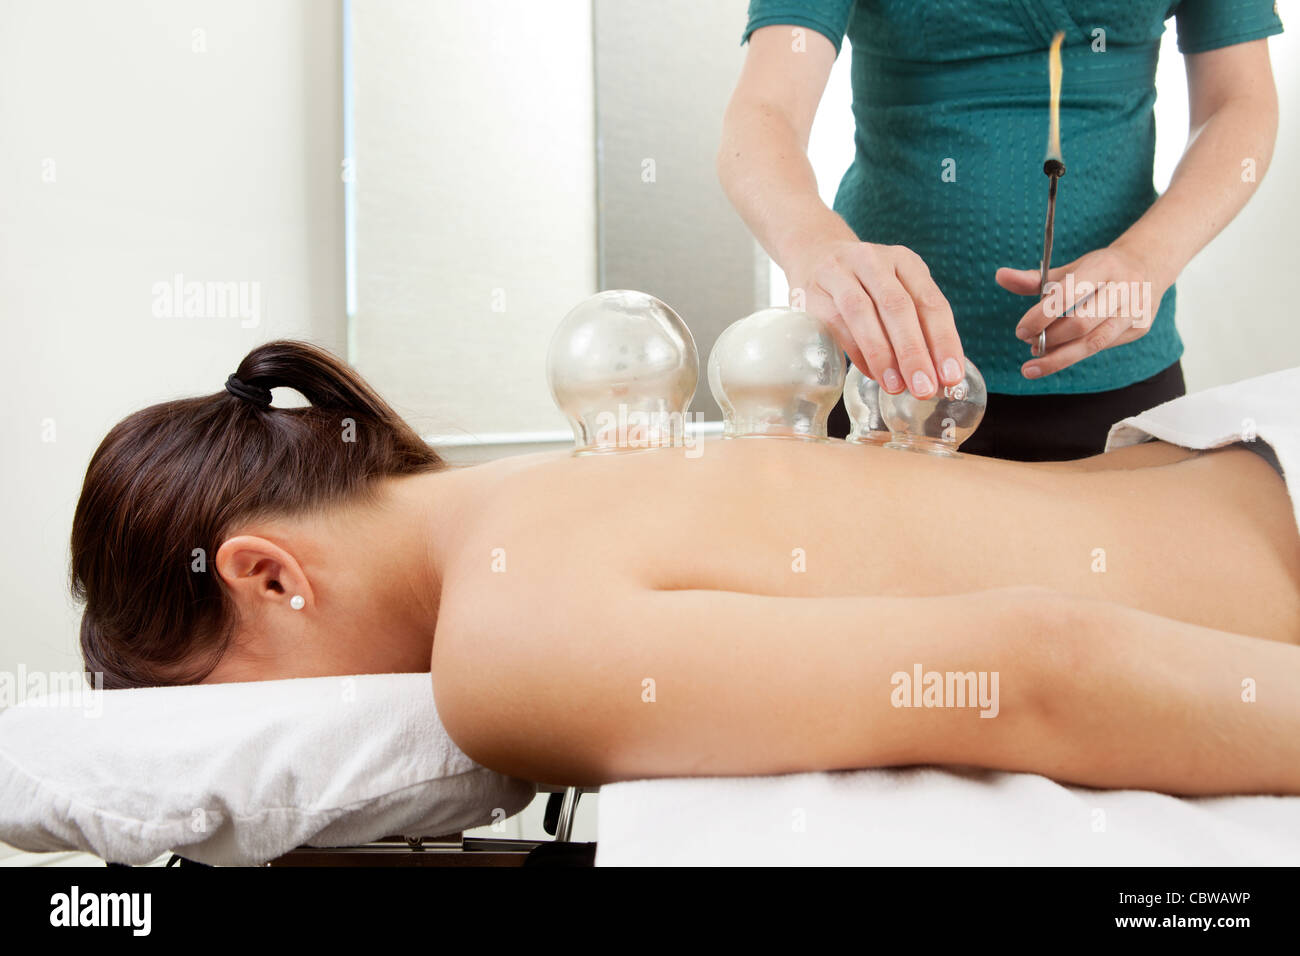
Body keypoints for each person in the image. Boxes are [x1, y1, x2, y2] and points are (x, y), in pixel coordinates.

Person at [70, 341, 1300, 794]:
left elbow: (1040, 665)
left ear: (267, 573)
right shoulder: (577, 475)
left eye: (249, 690)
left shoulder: (507, 649)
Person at [718, 0, 1283, 459]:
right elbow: (765, 112)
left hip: (1116, 381)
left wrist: (1149, 260)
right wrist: (817, 251)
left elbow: (1239, 102)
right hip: (881, 379)